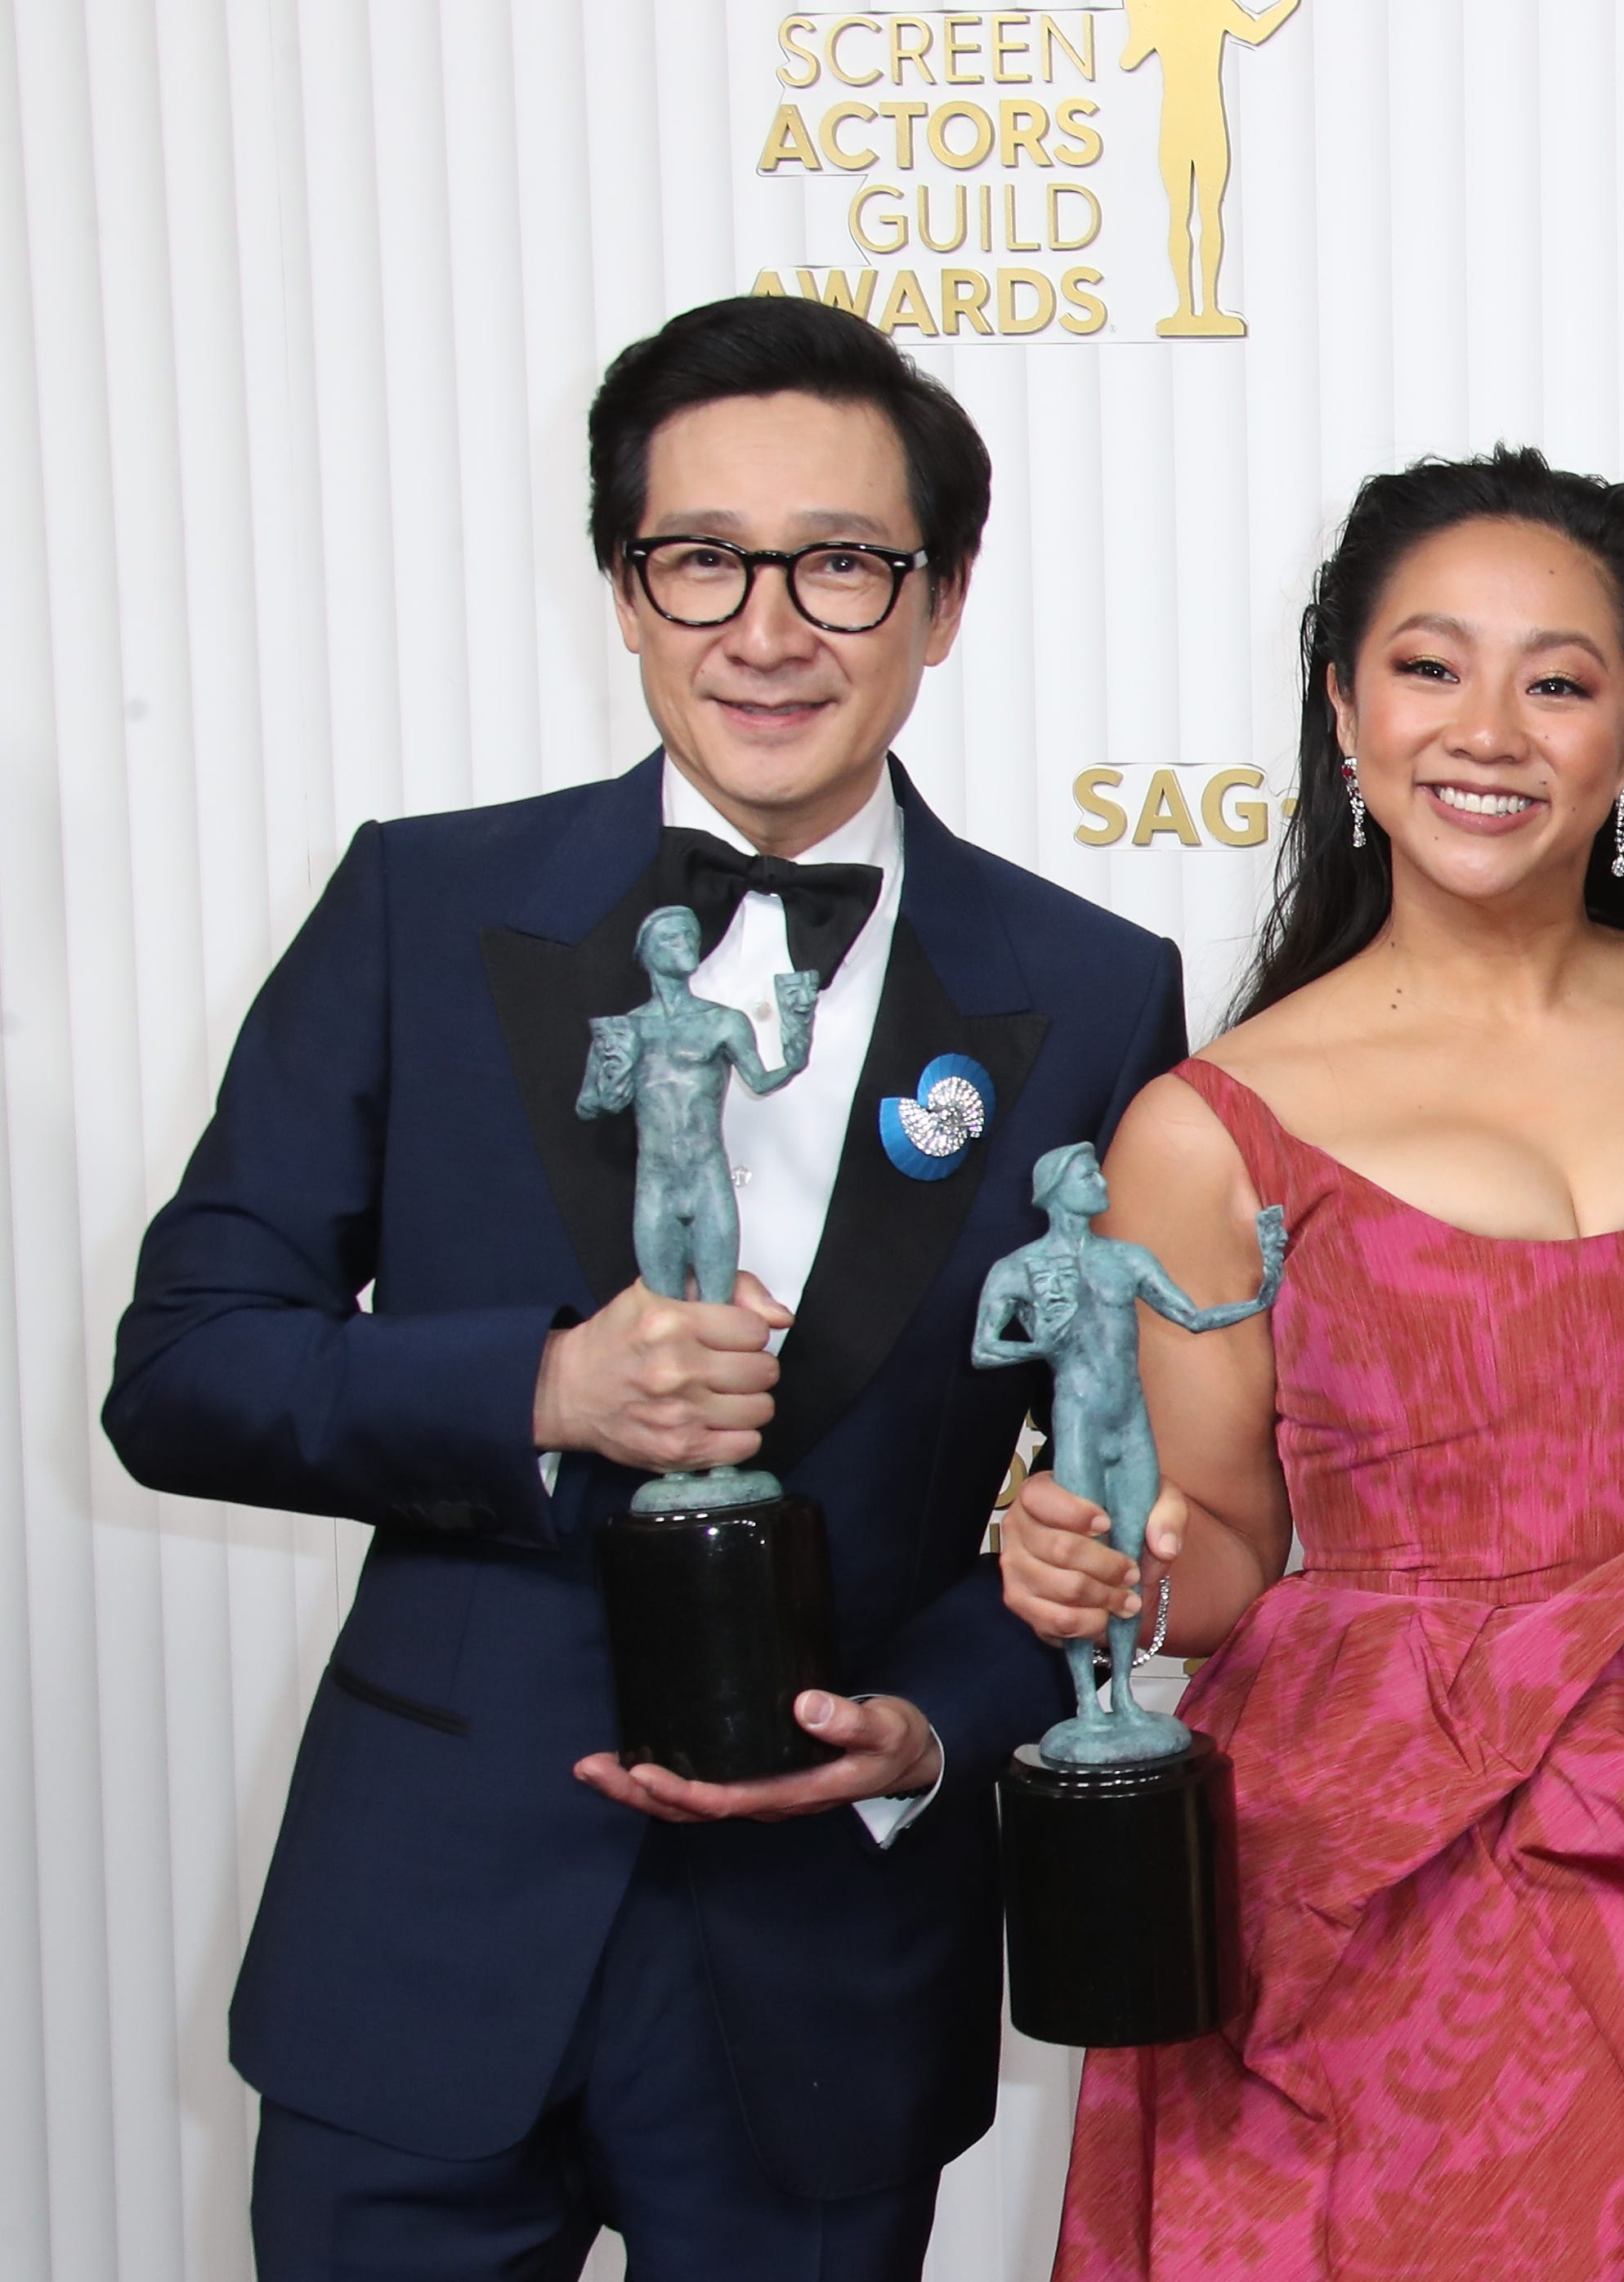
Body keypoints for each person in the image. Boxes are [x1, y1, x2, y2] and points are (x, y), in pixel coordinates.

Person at [99, 293, 1185, 2279]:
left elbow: (1124, 1496)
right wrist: (540, 1389)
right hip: (422, 1947)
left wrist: (932, 1721)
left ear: (943, 601)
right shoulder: (421, 905)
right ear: (623, 588)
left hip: (828, 1979)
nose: (767, 630)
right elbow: (184, 1369)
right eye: (702, 559)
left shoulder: (1100, 990)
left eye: (841, 564)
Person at [997, 448, 1624, 2280]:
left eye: (1558, 681)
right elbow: (1225, 1549)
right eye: (1427, 667)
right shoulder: (1205, 1127)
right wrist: (1109, 1569)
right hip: (1372, 1878)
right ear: (1343, 709)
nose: (1486, 731)